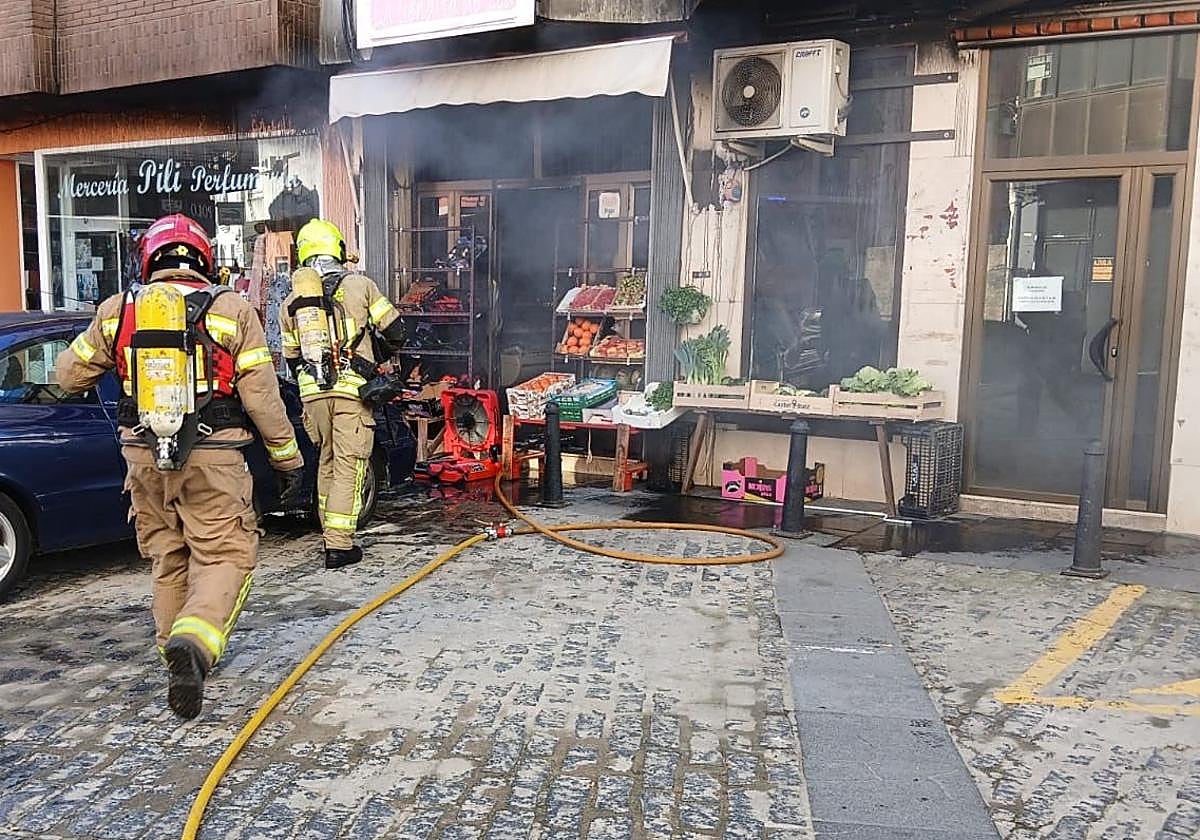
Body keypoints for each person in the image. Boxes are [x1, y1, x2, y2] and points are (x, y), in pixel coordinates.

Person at [56, 213, 304, 720]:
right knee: (224, 555)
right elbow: (261, 395)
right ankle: (193, 645)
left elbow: (67, 376)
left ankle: (172, 649)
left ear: (150, 259)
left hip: (142, 460)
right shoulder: (231, 310)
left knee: (169, 557)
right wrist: (288, 458)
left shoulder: (116, 311)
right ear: (203, 259)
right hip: (213, 459)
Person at [280, 219, 405, 570]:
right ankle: (339, 544)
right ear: (337, 249)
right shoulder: (360, 285)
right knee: (350, 465)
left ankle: (327, 531)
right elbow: (396, 330)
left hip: (312, 397)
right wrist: (375, 355)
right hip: (352, 394)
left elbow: (291, 358)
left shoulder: (291, 302)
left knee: (329, 461)